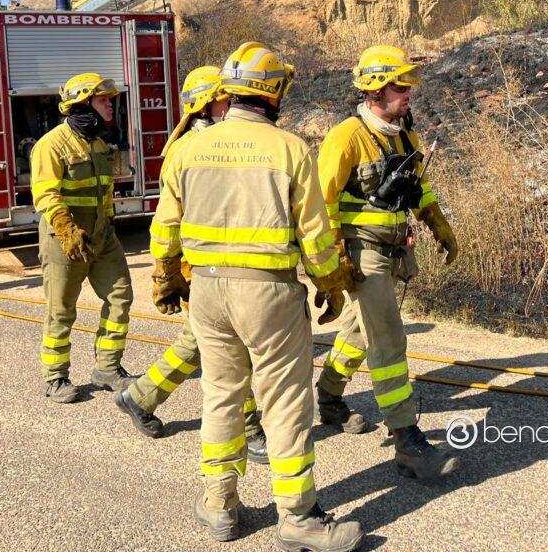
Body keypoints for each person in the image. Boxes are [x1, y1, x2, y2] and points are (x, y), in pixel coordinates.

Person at [150, 43, 363, 551]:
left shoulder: (190, 149)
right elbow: (315, 236)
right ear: (273, 92)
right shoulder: (289, 149)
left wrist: (167, 276)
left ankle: (220, 506)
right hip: (267, 293)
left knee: (221, 395)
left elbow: (165, 228)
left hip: (207, 291)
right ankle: (299, 517)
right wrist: (330, 285)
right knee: (284, 400)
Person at [316, 45, 460, 480]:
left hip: (394, 249)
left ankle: (328, 396)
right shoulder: (347, 136)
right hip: (361, 252)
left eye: (409, 84)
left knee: (361, 330)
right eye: (401, 85)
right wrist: (334, 262)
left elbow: (420, 188)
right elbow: (321, 202)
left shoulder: (404, 136)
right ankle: (406, 439)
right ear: (376, 89)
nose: (409, 92)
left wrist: (438, 223)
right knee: (389, 340)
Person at [115, 66, 269, 463]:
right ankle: (249, 429)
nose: (232, 105)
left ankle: (140, 396)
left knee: (201, 341)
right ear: (206, 104)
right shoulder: (188, 151)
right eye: (225, 99)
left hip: (220, 264)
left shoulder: (218, 142)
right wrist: (166, 274)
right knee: (231, 346)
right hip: (198, 267)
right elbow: (168, 222)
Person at [31, 72, 133, 404]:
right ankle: (55, 377)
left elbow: (103, 193)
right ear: (84, 104)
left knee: (120, 296)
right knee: (61, 309)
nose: (110, 106)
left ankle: (108, 368)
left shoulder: (99, 144)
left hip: (101, 237)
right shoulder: (51, 145)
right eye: (103, 100)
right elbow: (46, 195)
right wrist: (66, 230)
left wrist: (107, 226)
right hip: (64, 240)